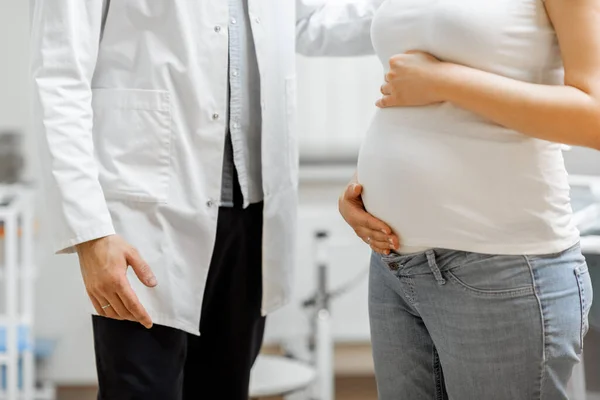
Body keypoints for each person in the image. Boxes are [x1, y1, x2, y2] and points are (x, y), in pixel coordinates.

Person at [30, 0, 384, 398]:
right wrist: (89, 232)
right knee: (141, 390)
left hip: (252, 210)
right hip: (146, 214)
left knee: (225, 387)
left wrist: (419, 11)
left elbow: (308, 21)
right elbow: (60, 75)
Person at [338, 0, 598, 398]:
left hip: (502, 268)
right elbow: (412, 97)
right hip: (394, 266)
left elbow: (593, 116)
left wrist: (445, 81)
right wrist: (364, 184)